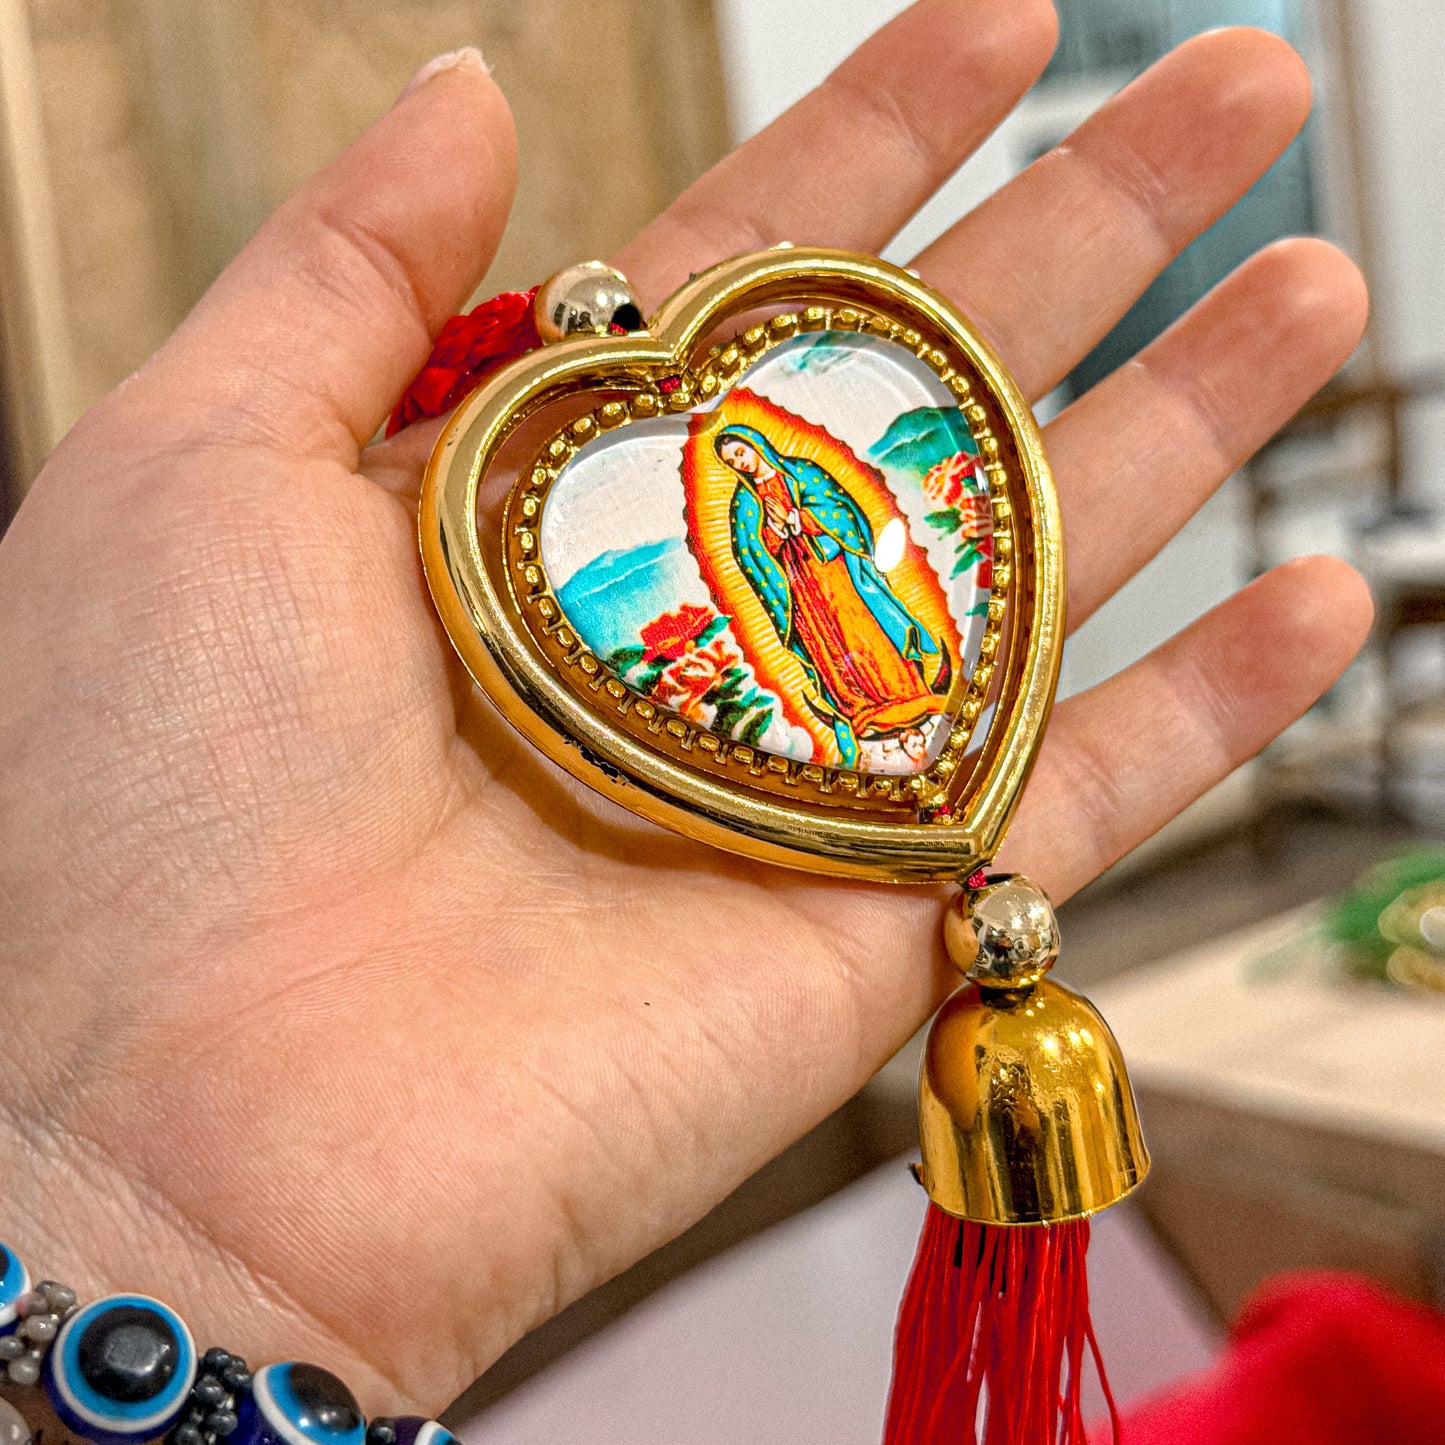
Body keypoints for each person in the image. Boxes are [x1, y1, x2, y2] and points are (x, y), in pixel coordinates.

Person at [0, 0, 1372, 1423]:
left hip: (870, 647)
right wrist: (68, 1149)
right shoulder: (653, 529)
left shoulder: (826, 494)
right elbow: (760, 566)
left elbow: (838, 541)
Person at [715, 425, 950, 768]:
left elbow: (840, 511)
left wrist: (798, 518)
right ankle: (858, 706)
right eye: (732, 460)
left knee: (863, 631)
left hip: (834, 569)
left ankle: (905, 692)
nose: (740, 462)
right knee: (830, 645)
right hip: (799, 586)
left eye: (741, 451)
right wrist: (775, 532)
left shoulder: (801, 471)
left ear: (755, 444)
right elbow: (751, 555)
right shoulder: (745, 504)